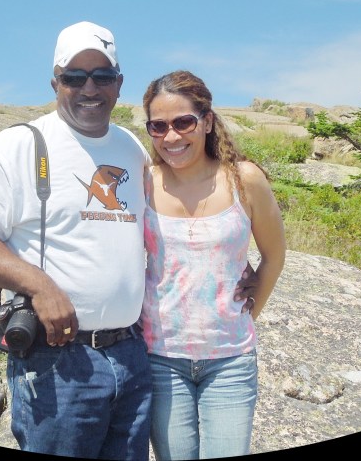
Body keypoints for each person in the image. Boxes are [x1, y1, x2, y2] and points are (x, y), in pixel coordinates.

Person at [0, 21, 153, 460]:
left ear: (119, 84)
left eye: (102, 76)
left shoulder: (133, 147)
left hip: (132, 354)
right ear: (55, 82)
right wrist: (40, 286)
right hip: (57, 360)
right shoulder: (20, 145)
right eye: (74, 77)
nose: (89, 88)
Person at [140, 70, 286, 460]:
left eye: (183, 122)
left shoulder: (245, 179)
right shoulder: (143, 182)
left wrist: (250, 313)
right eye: (159, 126)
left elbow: (274, 255)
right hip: (159, 358)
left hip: (231, 360)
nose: (171, 136)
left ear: (205, 121)